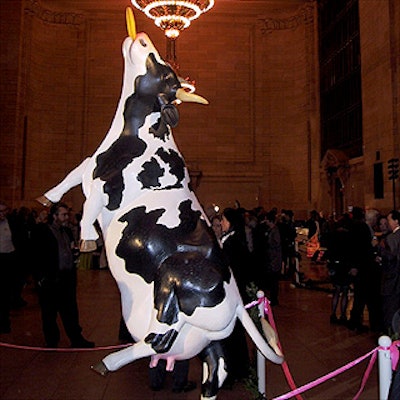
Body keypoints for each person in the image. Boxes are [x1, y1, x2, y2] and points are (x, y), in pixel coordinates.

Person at [31, 202, 94, 348]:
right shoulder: (43, 231)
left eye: (67, 214)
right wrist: (40, 278)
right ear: (54, 216)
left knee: (70, 310)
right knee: (49, 312)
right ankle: (52, 340)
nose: (66, 217)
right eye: (63, 215)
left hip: (66, 277)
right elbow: (35, 255)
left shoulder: (67, 231)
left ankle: (76, 338)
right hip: (50, 278)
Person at [220, 207, 250, 388]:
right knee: (235, 332)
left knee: (231, 333)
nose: (222, 223)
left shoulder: (232, 243)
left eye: (223, 220)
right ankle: (240, 368)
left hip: (232, 293)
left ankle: (233, 370)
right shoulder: (233, 240)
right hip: (234, 292)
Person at [325, 214, 353, 324]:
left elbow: (329, 251)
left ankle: (333, 314)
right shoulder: (349, 236)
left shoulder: (333, 235)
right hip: (345, 265)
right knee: (345, 291)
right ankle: (342, 315)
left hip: (335, 265)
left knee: (336, 290)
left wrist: (330, 266)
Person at [377, 210, 400, 334]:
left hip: (392, 280)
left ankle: (390, 338)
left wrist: (380, 251)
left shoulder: (392, 238)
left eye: (389, 220)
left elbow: (391, 256)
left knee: (390, 311)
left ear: (396, 221)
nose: (388, 223)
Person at [254, 211, 282, 306]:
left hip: (274, 258)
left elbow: (276, 244)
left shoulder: (274, 231)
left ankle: (274, 299)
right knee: (272, 280)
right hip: (272, 258)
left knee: (274, 280)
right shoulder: (272, 230)